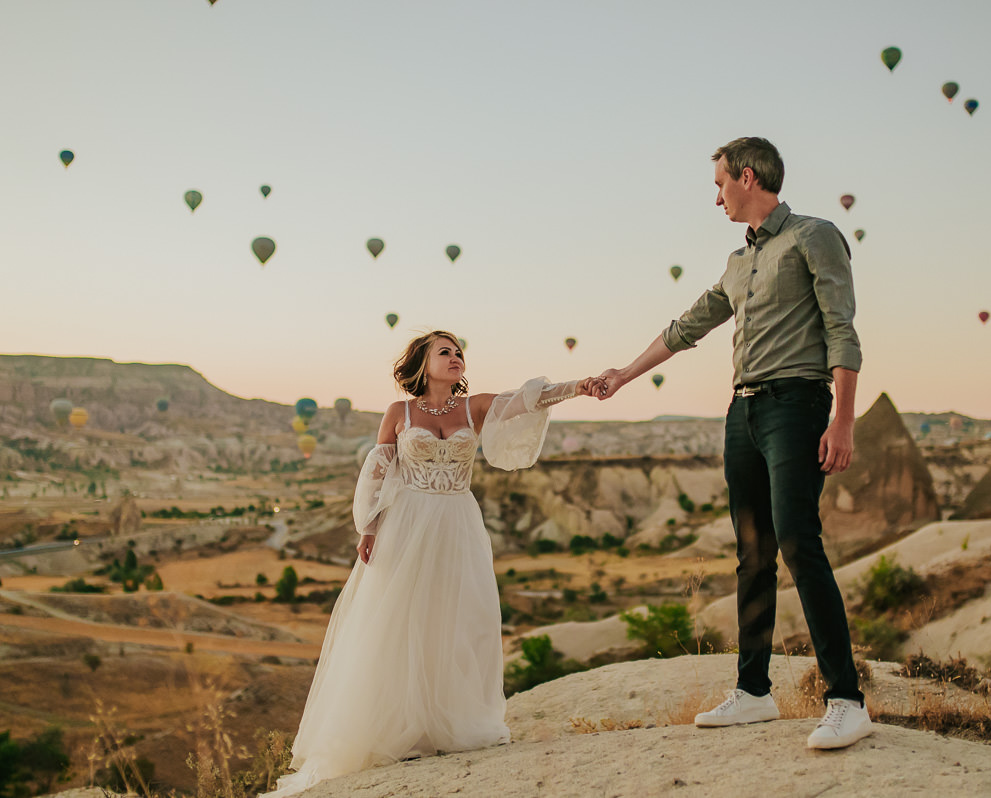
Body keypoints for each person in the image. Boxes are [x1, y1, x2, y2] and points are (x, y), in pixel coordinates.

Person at [598, 137, 871, 750]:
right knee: (753, 551)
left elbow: (842, 331)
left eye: (719, 183)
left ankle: (847, 700)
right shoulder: (736, 261)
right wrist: (622, 375)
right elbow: (688, 325)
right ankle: (753, 692)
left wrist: (844, 420)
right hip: (743, 412)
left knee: (799, 541)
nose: (715, 196)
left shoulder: (813, 235)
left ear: (747, 177)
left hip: (798, 405)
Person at [263, 331, 605, 796]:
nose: (456, 357)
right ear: (423, 364)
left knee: (462, 617)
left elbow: (528, 399)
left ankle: (450, 722)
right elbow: (380, 470)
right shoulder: (398, 412)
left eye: (459, 351)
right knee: (401, 619)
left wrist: (579, 385)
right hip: (408, 522)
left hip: (458, 522)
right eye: (445, 351)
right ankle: (402, 728)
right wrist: (369, 527)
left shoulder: (474, 408)